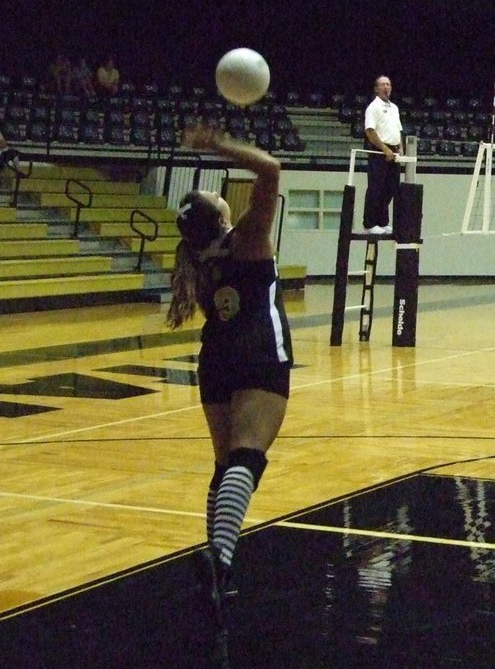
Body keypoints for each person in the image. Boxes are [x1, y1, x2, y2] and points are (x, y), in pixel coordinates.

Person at [165, 120, 292, 658]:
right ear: (221, 216)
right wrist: (217, 143)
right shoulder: (246, 238)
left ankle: (215, 558)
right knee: (248, 458)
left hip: (214, 358)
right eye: (218, 198)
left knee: (226, 467)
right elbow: (270, 169)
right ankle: (220, 558)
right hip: (258, 350)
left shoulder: (198, 259)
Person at [362, 75, 403, 235]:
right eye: (383, 84)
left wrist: (399, 148)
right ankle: (369, 223)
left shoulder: (394, 108)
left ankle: (382, 222)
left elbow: (398, 130)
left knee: (391, 187)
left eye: (388, 84)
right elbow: (370, 130)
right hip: (379, 152)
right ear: (377, 88)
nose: (386, 87)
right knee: (376, 187)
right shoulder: (373, 107)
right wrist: (384, 149)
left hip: (393, 152)